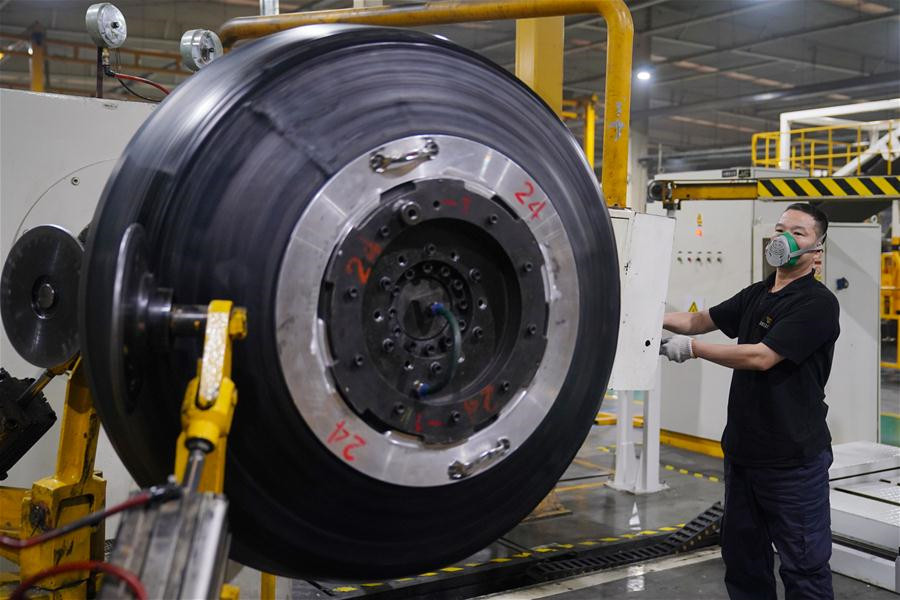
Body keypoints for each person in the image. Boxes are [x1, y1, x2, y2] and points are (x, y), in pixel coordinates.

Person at [659, 202, 839, 600]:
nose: (783, 239)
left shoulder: (817, 303)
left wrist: (693, 350)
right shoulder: (757, 294)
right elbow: (695, 321)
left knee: (804, 568)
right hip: (743, 456)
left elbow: (762, 356)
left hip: (792, 463)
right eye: (779, 229)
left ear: (817, 251)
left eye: (797, 233)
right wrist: (639, 311)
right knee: (744, 563)